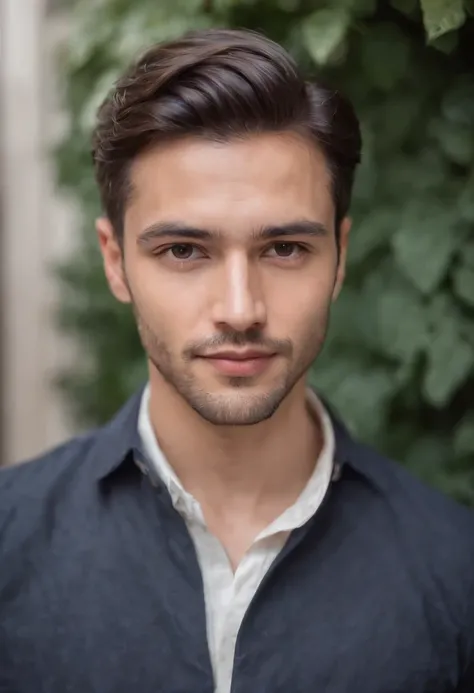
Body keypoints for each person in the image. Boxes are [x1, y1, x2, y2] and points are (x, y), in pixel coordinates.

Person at [1, 27, 473, 693]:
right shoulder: (10, 544)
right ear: (116, 261)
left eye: (283, 248)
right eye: (185, 251)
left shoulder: (457, 572)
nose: (240, 307)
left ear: (339, 256)